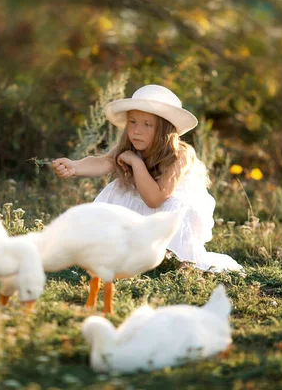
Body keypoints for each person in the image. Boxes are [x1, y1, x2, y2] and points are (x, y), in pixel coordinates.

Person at [52, 84, 242, 272]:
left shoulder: (180, 155)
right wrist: (74, 166)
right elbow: (103, 162)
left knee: (174, 206)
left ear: (165, 130)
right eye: (132, 122)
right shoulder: (130, 146)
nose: (136, 131)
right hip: (149, 199)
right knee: (117, 189)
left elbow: (156, 199)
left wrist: (136, 163)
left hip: (168, 207)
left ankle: (182, 258)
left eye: (147, 124)